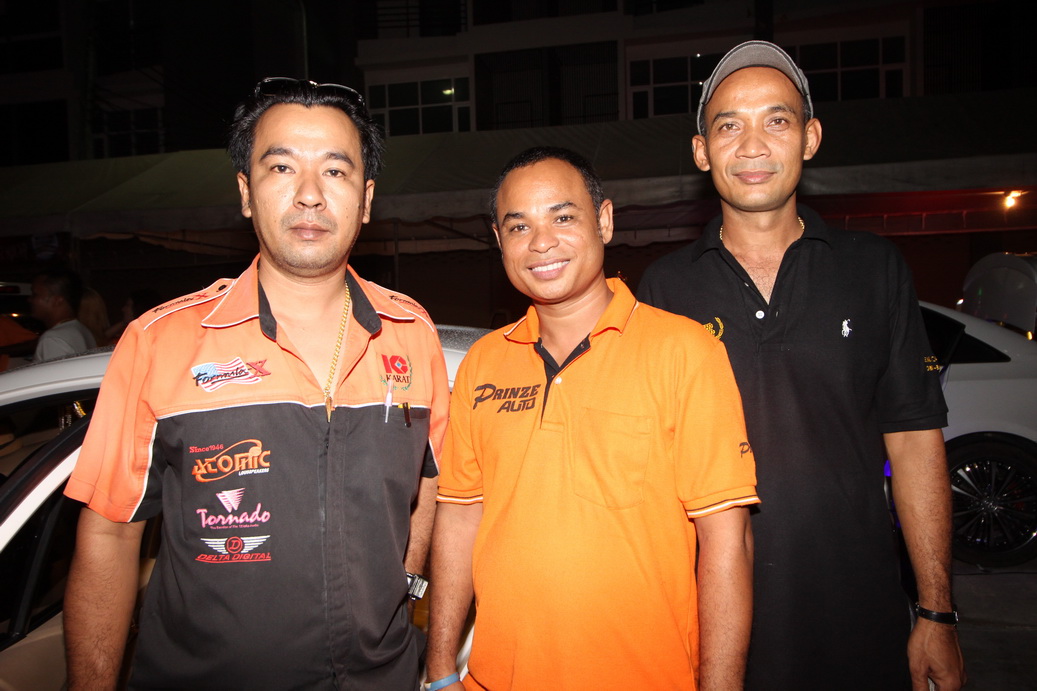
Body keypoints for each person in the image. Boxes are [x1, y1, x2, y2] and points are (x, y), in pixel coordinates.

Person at [63, 78, 449, 690]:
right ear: (245, 192)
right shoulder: (160, 342)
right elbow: (109, 532)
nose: (309, 194)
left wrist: (405, 584)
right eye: (282, 167)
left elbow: (429, 481)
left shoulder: (411, 333)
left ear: (367, 200)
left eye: (335, 171)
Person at [638, 41, 966, 691]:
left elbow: (914, 442)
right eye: (728, 125)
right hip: (714, 629)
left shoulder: (874, 269)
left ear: (810, 138)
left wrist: (936, 609)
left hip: (859, 619)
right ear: (701, 151)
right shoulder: (663, 289)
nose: (752, 145)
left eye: (776, 120)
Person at [425, 147, 759, 691]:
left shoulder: (684, 351)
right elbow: (460, 518)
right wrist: (440, 667)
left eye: (562, 217)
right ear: (499, 239)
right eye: (519, 226)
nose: (541, 242)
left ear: (604, 220)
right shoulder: (484, 361)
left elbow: (728, 539)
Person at [29, 269, 97, 363]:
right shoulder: (81, 330)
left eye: (35, 295)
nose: (30, 300)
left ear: (57, 300)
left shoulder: (53, 339)